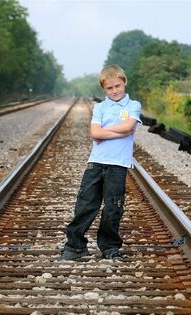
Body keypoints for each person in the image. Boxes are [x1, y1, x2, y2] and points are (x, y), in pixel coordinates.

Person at [59, 64, 142, 262]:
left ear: (124, 83)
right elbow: (95, 133)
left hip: (118, 165)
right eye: (109, 88)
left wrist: (109, 132)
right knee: (85, 204)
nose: (114, 91)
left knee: (113, 207)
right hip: (96, 162)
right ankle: (75, 246)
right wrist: (120, 131)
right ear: (103, 89)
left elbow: (129, 126)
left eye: (117, 86)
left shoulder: (133, 105)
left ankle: (110, 247)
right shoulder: (100, 107)